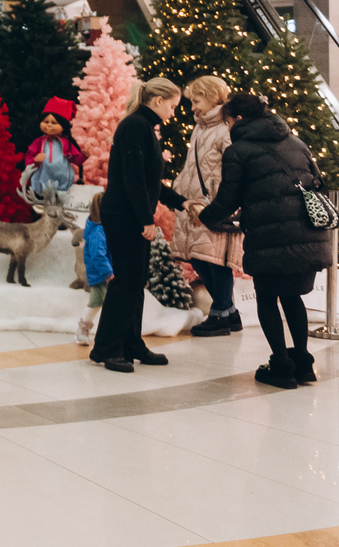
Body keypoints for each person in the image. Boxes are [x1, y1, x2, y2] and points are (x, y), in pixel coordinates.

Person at [198, 93, 332, 388]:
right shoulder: (295, 142)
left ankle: (281, 367)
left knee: (268, 297)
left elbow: (228, 198)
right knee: (293, 297)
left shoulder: (239, 150)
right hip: (308, 235)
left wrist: (205, 218)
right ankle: (303, 363)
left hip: (270, 237)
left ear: (239, 119)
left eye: (228, 119)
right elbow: (317, 180)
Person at [89, 78, 188, 373]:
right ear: (157, 101)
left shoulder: (143, 127)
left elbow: (149, 180)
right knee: (128, 281)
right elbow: (132, 178)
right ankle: (107, 348)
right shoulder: (135, 126)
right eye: (172, 105)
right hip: (124, 214)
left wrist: (180, 202)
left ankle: (130, 342)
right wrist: (146, 219)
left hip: (127, 212)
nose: (173, 112)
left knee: (135, 280)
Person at [173, 76, 242, 336]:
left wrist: (223, 201)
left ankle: (221, 315)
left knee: (216, 261)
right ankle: (231, 313)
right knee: (199, 259)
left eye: (196, 100)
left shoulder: (226, 128)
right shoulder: (200, 127)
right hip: (194, 206)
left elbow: (233, 168)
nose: (193, 107)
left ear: (213, 97)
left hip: (214, 206)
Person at [75, 193, 115, 345]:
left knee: (96, 301)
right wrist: (108, 272)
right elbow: (98, 255)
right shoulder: (99, 230)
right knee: (109, 305)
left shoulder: (98, 228)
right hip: (101, 274)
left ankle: (82, 330)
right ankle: (110, 335)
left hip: (98, 273)